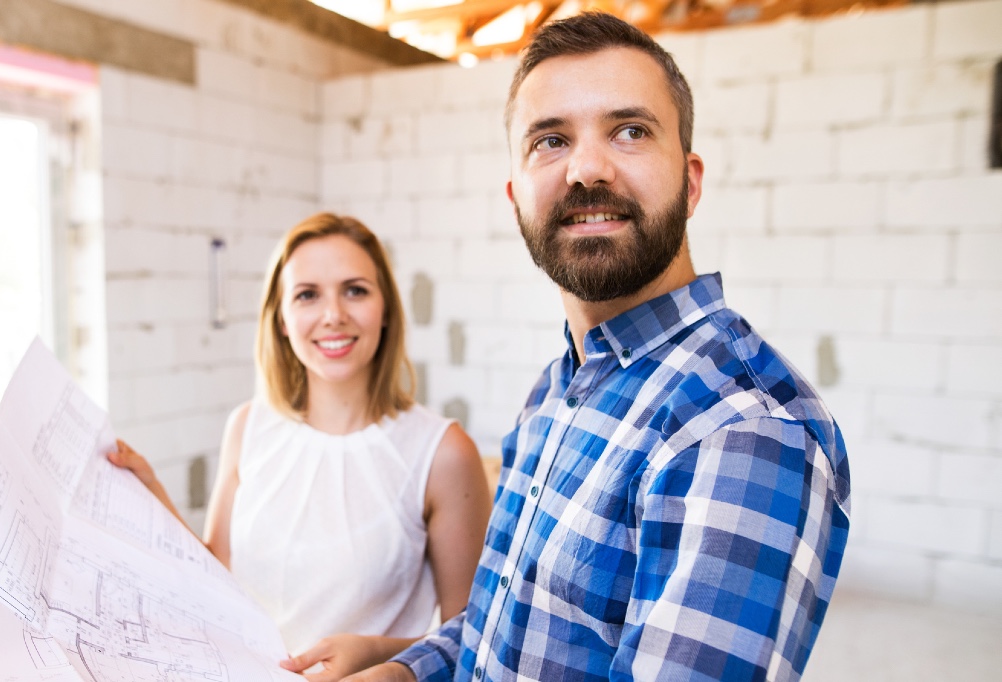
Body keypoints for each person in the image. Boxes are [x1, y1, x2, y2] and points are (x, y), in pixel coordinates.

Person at [349, 12, 851, 682]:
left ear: (691, 182)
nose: (587, 169)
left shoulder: (741, 429)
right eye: (550, 141)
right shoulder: (557, 388)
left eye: (630, 131)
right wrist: (407, 671)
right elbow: (510, 618)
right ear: (516, 198)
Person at [109, 213, 493, 681]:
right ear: (283, 320)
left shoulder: (443, 452)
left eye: (355, 290)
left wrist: (374, 653)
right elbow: (220, 581)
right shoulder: (248, 426)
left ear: (387, 309)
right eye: (308, 295)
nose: (333, 314)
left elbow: (475, 639)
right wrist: (154, 498)